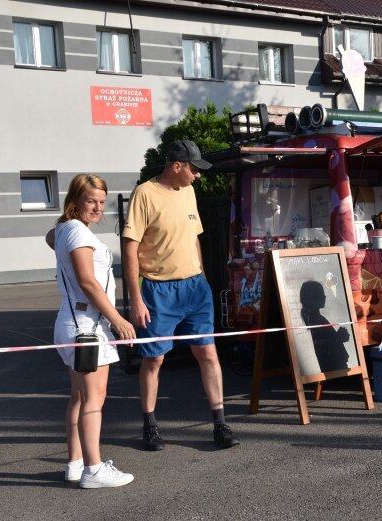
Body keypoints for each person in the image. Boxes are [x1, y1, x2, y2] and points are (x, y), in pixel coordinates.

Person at [122, 140, 239, 451]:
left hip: (194, 289)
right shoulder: (144, 194)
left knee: (208, 353)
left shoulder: (188, 191)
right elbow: (129, 248)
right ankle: (149, 426)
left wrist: (200, 274)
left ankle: (220, 424)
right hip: (158, 290)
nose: (197, 175)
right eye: (193, 169)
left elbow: (195, 236)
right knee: (154, 358)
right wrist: (136, 299)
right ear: (176, 166)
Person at [48, 174, 136, 488]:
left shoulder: (64, 229)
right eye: (91, 201)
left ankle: (75, 463)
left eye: (101, 202)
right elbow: (88, 283)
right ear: (75, 201)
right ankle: (93, 469)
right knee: (93, 399)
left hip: (77, 324)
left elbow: (50, 236)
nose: (98, 208)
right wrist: (119, 320)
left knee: (79, 397)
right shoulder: (75, 231)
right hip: (87, 327)